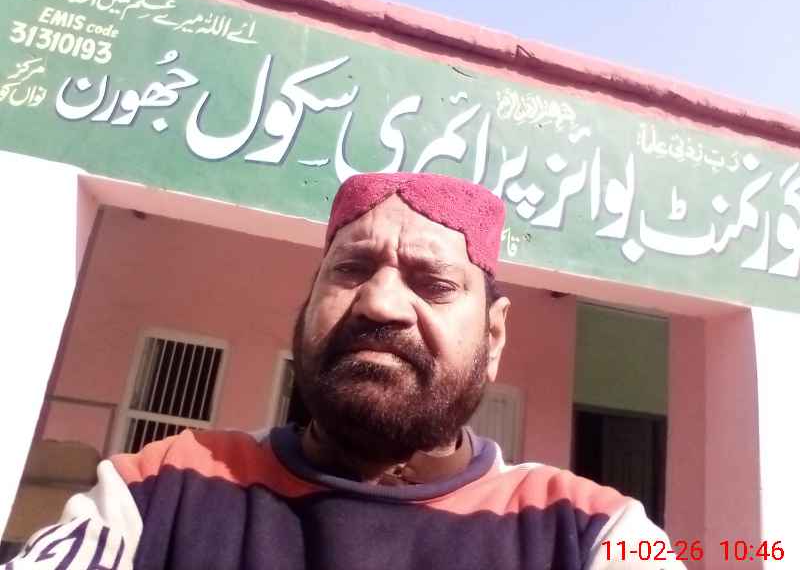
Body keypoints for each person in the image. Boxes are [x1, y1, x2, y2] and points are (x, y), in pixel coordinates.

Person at [3, 173, 685, 569]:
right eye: (352, 270)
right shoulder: (158, 490)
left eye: (434, 284)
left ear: (495, 335)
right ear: (308, 306)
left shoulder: (589, 531)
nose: (380, 304)